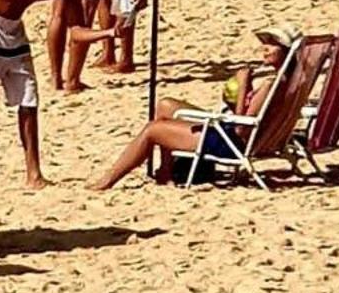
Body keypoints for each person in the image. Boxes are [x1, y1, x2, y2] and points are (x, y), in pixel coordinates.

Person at [0, 0, 125, 191]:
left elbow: (77, 33)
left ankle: (34, 174)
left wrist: (110, 33)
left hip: (13, 29)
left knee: (29, 101)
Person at [90, 26, 295, 191]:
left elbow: (242, 127)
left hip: (232, 142)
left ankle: (108, 179)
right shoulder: (289, 81)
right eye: (265, 43)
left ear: (285, 51)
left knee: (153, 130)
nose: (265, 48)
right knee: (165, 105)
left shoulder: (270, 86)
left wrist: (243, 86)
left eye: (273, 45)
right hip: (245, 135)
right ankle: (166, 171)